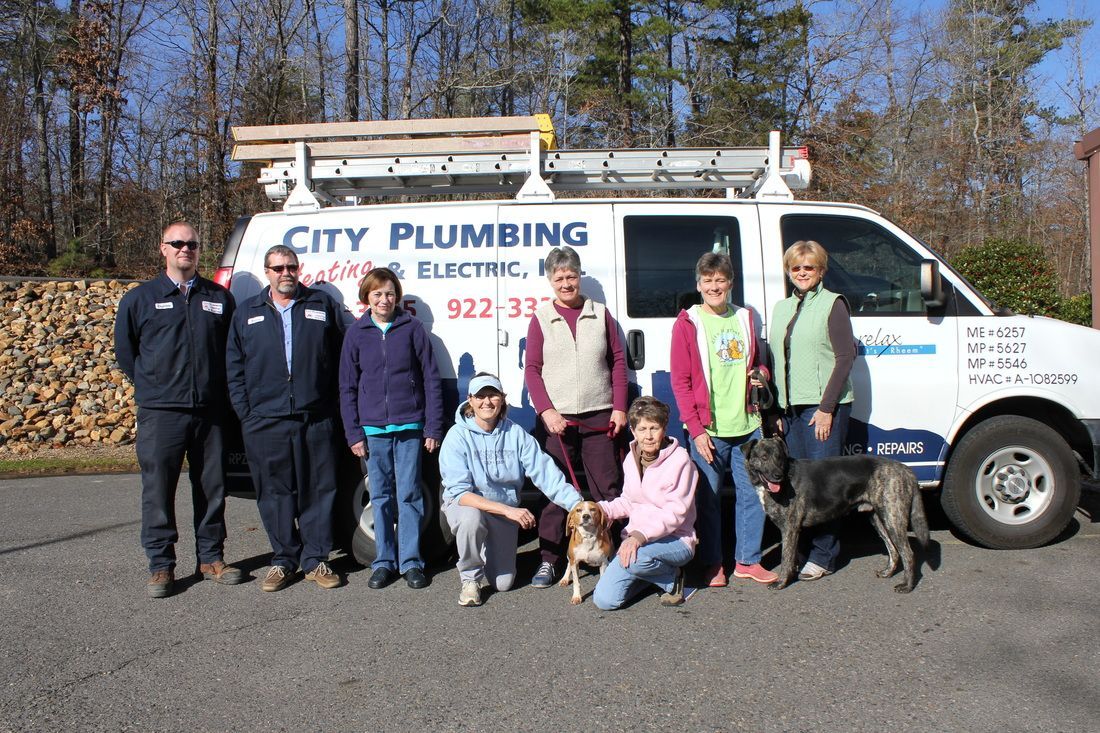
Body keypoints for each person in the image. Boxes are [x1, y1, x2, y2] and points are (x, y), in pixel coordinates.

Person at [114, 221, 243, 598]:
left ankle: (211, 558)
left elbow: (231, 351)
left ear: (199, 250)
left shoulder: (218, 297)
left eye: (192, 244)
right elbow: (127, 352)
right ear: (163, 249)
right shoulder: (140, 298)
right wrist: (154, 386)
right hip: (161, 412)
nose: (185, 249)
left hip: (210, 411)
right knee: (158, 489)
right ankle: (161, 565)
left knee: (212, 488)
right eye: (177, 243)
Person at [225, 245, 348, 592]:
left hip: (316, 416)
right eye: (278, 268)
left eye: (290, 266)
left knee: (319, 490)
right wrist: (246, 414)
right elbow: (234, 367)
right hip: (265, 419)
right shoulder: (247, 312)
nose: (285, 273)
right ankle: (283, 559)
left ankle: (316, 560)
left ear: (299, 268)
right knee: (274, 492)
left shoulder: (321, 305)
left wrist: (333, 409)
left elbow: (340, 361)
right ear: (267, 271)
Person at [670, 252, 776, 587]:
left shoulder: (745, 317)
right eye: (708, 280)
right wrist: (696, 429)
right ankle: (713, 563)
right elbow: (681, 381)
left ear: (730, 283)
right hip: (709, 430)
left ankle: (748, 560)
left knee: (752, 495)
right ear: (698, 285)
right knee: (707, 501)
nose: (714, 286)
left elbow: (760, 362)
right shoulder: (687, 322)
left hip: (747, 426)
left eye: (721, 280)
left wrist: (761, 374)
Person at [524, 245, 627, 588]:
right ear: (550, 281)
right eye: (559, 277)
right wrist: (546, 410)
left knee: (607, 490)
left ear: (579, 276)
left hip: (599, 417)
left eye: (571, 275)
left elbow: (618, 361)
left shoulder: (601, 313)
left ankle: (614, 556)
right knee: (557, 493)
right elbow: (532, 371)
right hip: (558, 421)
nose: (566, 283)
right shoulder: (540, 318)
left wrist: (620, 407)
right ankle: (550, 560)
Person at [438, 373, 583, 607]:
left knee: (503, 583)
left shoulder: (515, 434)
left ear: (502, 398)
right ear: (470, 400)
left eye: (493, 395)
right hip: (468, 506)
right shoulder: (456, 436)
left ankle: (484, 546)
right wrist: (509, 511)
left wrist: (578, 506)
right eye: (480, 396)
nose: (487, 402)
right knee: (471, 520)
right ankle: (470, 580)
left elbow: (546, 475)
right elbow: (460, 493)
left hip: (503, 512)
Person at [338, 267, 442, 590]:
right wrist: (353, 433)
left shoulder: (412, 329)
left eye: (390, 293)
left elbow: (430, 379)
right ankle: (384, 561)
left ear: (398, 296)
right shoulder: (356, 333)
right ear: (366, 297)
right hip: (372, 431)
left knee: (409, 494)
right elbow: (347, 387)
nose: (384, 299)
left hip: (410, 425)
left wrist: (433, 426)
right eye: (377, 294)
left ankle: (411, 561)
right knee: (380, 496)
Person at [769, 240, 856, 582]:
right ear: (789, 272)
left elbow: (845, 357)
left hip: (821, 409)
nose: (802, 273)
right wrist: (774, 408)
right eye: (796, 268)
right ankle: (801, 550)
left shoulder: (833, 304)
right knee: (796, 485)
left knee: (823, 486)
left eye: (809, 267)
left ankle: (825, 554)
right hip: (789, 410)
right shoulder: (782, 307)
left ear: (821, 270)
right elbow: (777, 359)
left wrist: (826, 407)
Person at [592, 397, 698, 610]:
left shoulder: (681, 461)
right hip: (638, 541)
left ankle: (674, 577)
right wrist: (600, 509)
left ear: (664, 429)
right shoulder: (631, 460)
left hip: (675, 539)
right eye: (642, 429)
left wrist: (639, 536)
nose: (648, 436)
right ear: (633, 431)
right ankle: (656, 578)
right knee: (604, 600)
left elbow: (675, 513)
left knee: (635, 559)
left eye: (654, 428)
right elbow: (629, 502)